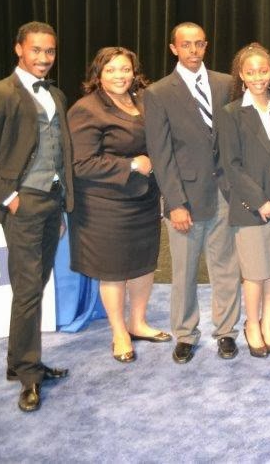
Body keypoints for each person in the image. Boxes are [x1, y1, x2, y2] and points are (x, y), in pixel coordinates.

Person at [0, 22, 74, 412]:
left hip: (51, 202)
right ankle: (29, 375)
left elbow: (58, 151)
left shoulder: (56, 94)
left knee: (36, 285)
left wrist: (61, 203)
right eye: (36, 50)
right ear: (19, 49)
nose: (44, 58)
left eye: (49, 51)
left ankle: (17, 362)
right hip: (23, 204)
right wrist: (10, 198)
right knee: (29, 290)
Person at [143, 22, 241, 363]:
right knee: (184, 271)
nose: (193, 50)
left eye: (199, 44)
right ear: (174, 48)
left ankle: (226, 332)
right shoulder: (158, 93)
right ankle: (185, 334)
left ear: (206, 45)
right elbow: (161, 154)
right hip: (184, 198)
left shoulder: (226, 84)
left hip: (224, 193)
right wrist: (175, 202)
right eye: (186, 45)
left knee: (226, 268)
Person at [68, 47, 168, 364]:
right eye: (111, 70)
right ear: (98, 75)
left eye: (125, 69)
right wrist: (132, 165)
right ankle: (119, 332)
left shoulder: (143, 101)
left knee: (143, 263)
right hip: (106, 204)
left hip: (144, 199)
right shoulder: (86, 109)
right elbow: (81, 163)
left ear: (134, 72)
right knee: (113, 269)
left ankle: (138, 322)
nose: (119, 76)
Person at [216, 43, 270, 358]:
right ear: (242, 75)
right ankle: (251, 325)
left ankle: (268, 324)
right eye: (251, 72)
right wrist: (260, 202)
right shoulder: (231, 113)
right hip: (251, 207)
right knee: (255, 271)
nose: (258, 77)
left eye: (263, 71)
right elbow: (231, 165)